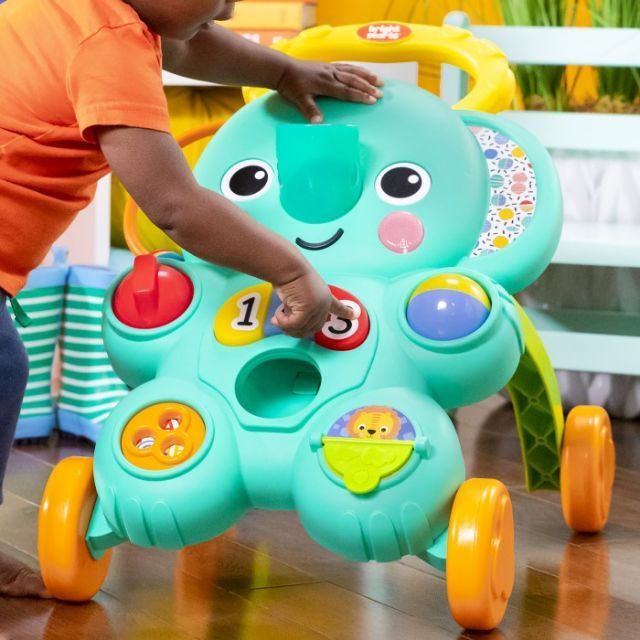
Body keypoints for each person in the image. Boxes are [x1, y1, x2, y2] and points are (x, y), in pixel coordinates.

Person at [0, 0, 383, 596]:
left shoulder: (87, 13)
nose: (228, 10)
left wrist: (283, 71)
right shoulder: (109, 43)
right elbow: (173, 205)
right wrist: (291, 271)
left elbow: (185, 42)